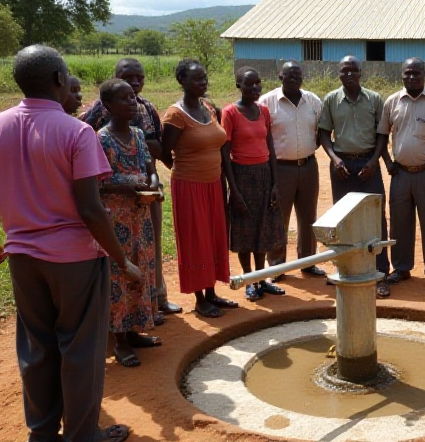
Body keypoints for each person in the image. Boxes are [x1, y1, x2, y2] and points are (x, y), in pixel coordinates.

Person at [0, 45, 137, 442]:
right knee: (81, 350)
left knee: (37, 349)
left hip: (22, 258)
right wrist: (122, 262)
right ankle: (82, 435)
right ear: (56, 80)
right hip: (75, 261)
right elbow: (90, 209)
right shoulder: (77, 132)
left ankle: (42, 433)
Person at [80, 58, 182, 319]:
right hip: (114, 206)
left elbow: (157, 148)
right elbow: (84, 151)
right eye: (129, 78)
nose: (136, 84)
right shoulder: (97, 119)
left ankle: (152, 303)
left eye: (140, 78)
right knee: (119, 260)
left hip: (144, 196)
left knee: (148, 250)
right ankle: (118, 322)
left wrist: (153, 179)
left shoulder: (146, 108)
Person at [161, 59, 237, 318]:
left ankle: (212, 291)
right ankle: (199, 299)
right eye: (197, 79)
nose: (203, 83)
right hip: (189, 186)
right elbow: (163, 151)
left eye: (204, 78)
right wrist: (184, 170)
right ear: (182, 81)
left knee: (214, 236)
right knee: (196, 240)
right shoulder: (175, 114)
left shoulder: (208, 108)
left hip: (213, 183)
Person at [97, 78, 162, 368]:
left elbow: (150, 169)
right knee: (120, 275)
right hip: (116, 218)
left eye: (132, 98)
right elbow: (96, 182)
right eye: (124, 98)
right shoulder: (100, 139)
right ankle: (120, 340)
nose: (132, 102)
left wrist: (154, 184)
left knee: (142, 268)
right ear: (108, 105)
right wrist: (124, 185)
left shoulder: (137, 135)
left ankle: (135, 330)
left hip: (140, 214)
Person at [376, 57, 425, 289]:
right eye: (407, 74)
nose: (411, 77)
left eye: (416, 73)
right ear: (402, 75)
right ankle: (401, 268)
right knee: (400, 224)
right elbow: (382, 134)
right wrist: (388, 162)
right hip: (400, 174)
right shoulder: (392, 102)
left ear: (424, 74)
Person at [319, 56, 392, 297]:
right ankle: (344, 269)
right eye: (344, 71)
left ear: (361, 73)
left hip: (368, 163)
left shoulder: (374, 99)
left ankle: (381, 273)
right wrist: (334, 159)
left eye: (353, 70)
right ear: (338, 74)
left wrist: (373, 162)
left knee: (375, 216)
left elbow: (382, 134)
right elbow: (324, 134)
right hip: (341, 164)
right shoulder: (331, 99)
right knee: (342, 218)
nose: (349, 75)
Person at [222, 66, 286, 301]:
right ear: (239, 86)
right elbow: (225, 152)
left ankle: (262, 278)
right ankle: (249, 279)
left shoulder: (264, 111)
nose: (255, 88)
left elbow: (269, 146)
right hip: (242, 175)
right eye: (249, 84)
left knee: (264, 228)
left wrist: (275, 184)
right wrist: (234, 190)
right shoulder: (230, 113)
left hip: (264, 175)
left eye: (258, 83)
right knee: (245, 230)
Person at [259, 60, 326, 280]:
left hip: (308, 166)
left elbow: (320, 133)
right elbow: (261, 136)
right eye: (289, 75)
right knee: (279, 216)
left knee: (309, 216)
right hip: (280, 168)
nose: (294, 79)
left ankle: (307, 260)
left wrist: (306, 150)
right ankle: (277, 265)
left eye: (297, 75)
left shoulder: (313, 100)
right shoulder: (267, 102)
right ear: (280, 77)